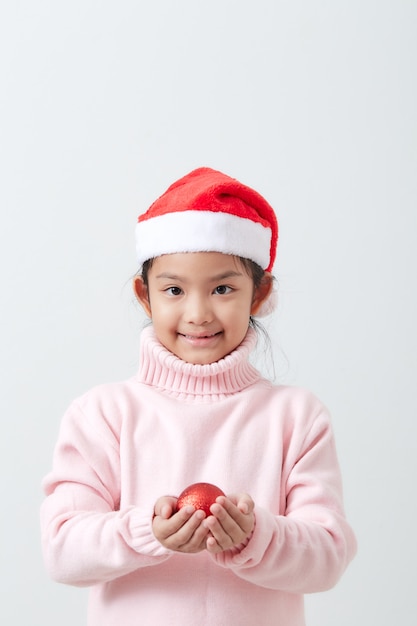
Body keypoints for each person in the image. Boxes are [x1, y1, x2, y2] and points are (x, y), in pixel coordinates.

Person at [40, 167, 356, 625]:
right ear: (144, 296)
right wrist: (146, 532)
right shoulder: (102, 414)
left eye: (223, 288)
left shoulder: (296, 416)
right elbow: (61, 549)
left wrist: (257, 537)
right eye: (173, 289)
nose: (198, 313)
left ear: (259, 293)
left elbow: (329, 555)